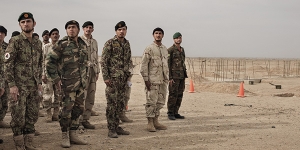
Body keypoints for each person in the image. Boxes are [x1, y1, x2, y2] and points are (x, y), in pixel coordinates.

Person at [46, 20, 88, 148]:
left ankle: (73, 134)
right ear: (66, 30)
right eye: (69, 27)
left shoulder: (82, 44)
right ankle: (65, 135)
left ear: (78, 30)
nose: (71, 29)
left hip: (80, 83)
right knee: (66, 111)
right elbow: (49, 62)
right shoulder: (61, 44)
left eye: (74, 27)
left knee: (78, 109)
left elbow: (84, 63)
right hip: (66, 84)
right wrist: (56, 79)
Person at [4, 12, 43, 149]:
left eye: (28, 21)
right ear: (20, 25)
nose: (26, 24)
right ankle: (19, 145)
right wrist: (12, 85)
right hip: (19, 87)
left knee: (32, 115)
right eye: (23, 22)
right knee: (18, 117)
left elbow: (40, 64)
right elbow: (7, 64)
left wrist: (39, 83)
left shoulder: (38, 43)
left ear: (34, 23)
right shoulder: (15, 41)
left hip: (33, 86)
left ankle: (29, 144)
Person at [100, 21, 132, 138]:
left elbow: (129, 61)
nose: (121, 31)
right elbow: (104, 61)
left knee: (120, 104)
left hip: (123, 80)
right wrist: (106, 77)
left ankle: (117, 126)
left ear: (126, 30)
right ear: (116, 31)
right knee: (112, 104)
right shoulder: (110, 43)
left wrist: (128, 76)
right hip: (112, 79)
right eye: (119, 30)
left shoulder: (127, 44)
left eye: (123, 29)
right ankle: (111, 129)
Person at [140, 27, 169, 132]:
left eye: (160, 33)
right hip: (152, 80)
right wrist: (146, 80)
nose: (158, 35)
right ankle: (150, 123)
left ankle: (156, 121)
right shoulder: (149, 49)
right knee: (151, 102)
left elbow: (166, 65)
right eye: (156, 33)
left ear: (163, 35)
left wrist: (167, 79)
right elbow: (143, 65)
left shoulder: (165, 49)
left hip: (163, 81)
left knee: (160, 102)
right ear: (153, 35)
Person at [79, 21, 100, 129]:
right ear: (83, 29)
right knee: (82, 96)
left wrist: (97, 72)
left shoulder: (95, 42)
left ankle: (86, 119)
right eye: (86, 27)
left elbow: (96, 57)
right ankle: (78, 121)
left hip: (92, 71)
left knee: (90, 96)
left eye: (90, 27)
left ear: (93, 29)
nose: (88, 29)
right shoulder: (79, 41)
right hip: (83, 72)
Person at [167, 32, 187, 120]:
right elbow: (168, 64)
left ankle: (176, 112)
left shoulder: (182, 50)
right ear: (174, 39)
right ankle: (170, 112)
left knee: (180, 94)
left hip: (182, 76)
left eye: (180, 38)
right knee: (173, 94)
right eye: (177, 38)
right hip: (174, 77)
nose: (178, 39)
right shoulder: (170, 50)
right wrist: (169, 77)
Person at [42, 28, 60, 123]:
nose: (55, 35)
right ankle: (48, 113)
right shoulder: (46, 47)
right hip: (48, 75)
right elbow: (42, 61)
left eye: (56, 34)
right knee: (47, 95)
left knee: (58, 95)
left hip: (58, 75)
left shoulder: (61, 47)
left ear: (59, 36)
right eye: (53, 34)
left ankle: (56, 113)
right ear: (50, 36)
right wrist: (43, 74)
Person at [0, 25, 10, 128]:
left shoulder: (8, 47)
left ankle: (1, 119)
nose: (0, 34)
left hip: (6, 78)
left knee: (5, 102)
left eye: (2, 33)